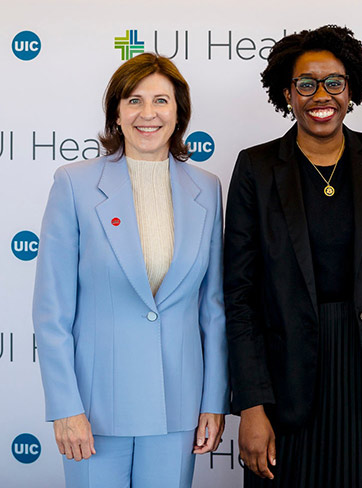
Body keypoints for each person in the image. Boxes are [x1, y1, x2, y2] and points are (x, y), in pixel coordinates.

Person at [224, 25, 362, 488]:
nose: (320, 95)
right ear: (287, 92)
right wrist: (251, 405)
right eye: (306, 84)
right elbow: (240, 296)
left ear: (352, 90)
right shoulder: (257, 167)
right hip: (285, 387)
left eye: (334, 82)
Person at [32, 53, 228, 488]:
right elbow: (52, 313)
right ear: (116, 114)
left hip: (177, 406)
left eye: (161, 100)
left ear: (179, 113)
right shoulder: (74, 185)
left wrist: (213, 400)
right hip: (93, 410)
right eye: (134, 101)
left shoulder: (208, 189)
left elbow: (213, 310)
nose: (148, 114)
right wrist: (65, 407)